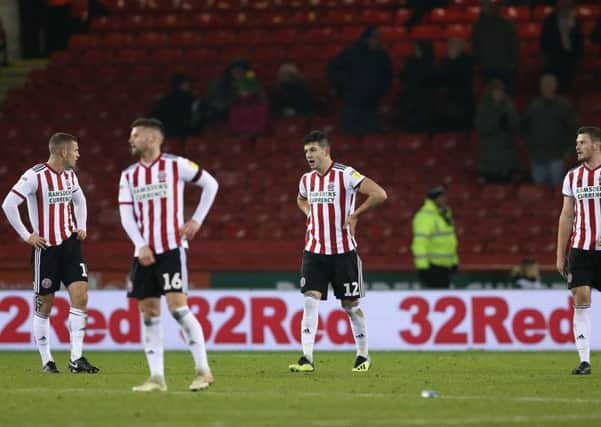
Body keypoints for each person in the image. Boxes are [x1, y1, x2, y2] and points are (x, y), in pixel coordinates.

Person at [118, 118, 219, 391]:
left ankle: (203, 371)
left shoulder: (176, 165)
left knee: (178, 308)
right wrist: (140, 245)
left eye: (135, 135)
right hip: (143, 253)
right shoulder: (129, 175)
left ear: (152, 138)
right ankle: (157, 378)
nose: (131, 140)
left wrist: (196, 220)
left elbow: (211, 185)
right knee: (149, 312)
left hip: (171, 248)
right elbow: (126, 216)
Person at [289, 130, 388, 373]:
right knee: (310, 300)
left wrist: (355, 214)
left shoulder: (346, 174)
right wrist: (309, 212)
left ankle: (363, 356)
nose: (308, 156)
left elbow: (380, 194)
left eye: (312, 150)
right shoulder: (306, 180)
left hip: (344, 252)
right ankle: (307, 358)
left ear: (325, 150)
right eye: (305, 152)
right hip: (314, 251)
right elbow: (300, 199)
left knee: (350, 305)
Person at [1, 132, 99, 374]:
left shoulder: (69, 176)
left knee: (81, 296)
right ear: (63, 151)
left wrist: (82, 225)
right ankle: (47, 360)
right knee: (45, 303)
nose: (78, 154)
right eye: (75, 150)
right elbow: (9, 204)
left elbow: (80, 200)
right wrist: (27, 236)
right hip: (45, 248)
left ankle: (76, 359)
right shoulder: (34, 176)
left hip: (70, 244)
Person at [556, 126, 601, 376]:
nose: (578, 146)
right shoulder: (572, 177)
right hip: (581, 248)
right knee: (581, 298)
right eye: (577, 142)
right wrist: (560, 254)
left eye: (582, 142)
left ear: (596, 145)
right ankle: (584, 361)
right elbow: (566, 215)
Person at [328, 26, 392, 136]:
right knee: (349, 134)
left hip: (372, 102)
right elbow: (333, 70)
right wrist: (346, 86)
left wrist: (378, 91)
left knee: (372, 137)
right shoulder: (351, 53)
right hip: (352, 101)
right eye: (373, 39)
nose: (376, 42)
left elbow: (387, 76)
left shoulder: (382, 56)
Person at [521, 74, 579, 186]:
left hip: (557, 156)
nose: (546, 87)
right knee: (538, 192)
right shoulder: (533, 107)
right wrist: (531, 146)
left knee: (557, 190)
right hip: (537, 156)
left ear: (555, 86)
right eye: (544, 85)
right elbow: (524, 128)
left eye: (549, 85)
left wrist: (568, 150)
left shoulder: (564, 106)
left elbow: (574, 129)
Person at [411, 185, 458, 288]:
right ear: (434, 199)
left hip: (446, 267)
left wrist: (454, 261)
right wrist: (422, 266)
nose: (445, 199)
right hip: (432, 267)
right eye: (441, 197)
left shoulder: (445, 214)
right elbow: (420, 243)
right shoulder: (424, 217)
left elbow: (450, 240)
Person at [475, 79, 520, 184]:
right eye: (495, 91)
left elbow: (516, 126)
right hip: (489, 155)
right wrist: (496, 122)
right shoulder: (483, 109)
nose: (498, 94)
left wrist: (508, 115)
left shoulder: (508, 106)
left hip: (506, 154)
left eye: (500, 91)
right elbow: (480, 128)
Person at [471, 0, 519, 92]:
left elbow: (514, 44)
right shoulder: (477, 26)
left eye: (490, 4)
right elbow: (475, 46)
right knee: (488, 97)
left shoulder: (507, 24)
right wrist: (480, 63)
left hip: (505, 68)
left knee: (506, 95)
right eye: (485, 4)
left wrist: (512, 63)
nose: (488, 6)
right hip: (486, 69)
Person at [540, 0, 584, 91]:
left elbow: (579, 41)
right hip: (554, 58)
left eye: (567, 4)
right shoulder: (550, 19)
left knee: (568, 87)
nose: (565, 6)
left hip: (570, 59)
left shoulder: (576, 20)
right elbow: (544, 40)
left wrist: (578, 58)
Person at [150, 74, 204, 146]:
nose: (187, 86)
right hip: (175, 131)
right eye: (185, 84)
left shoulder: (190, 99)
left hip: (182, 131)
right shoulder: (168, 100)